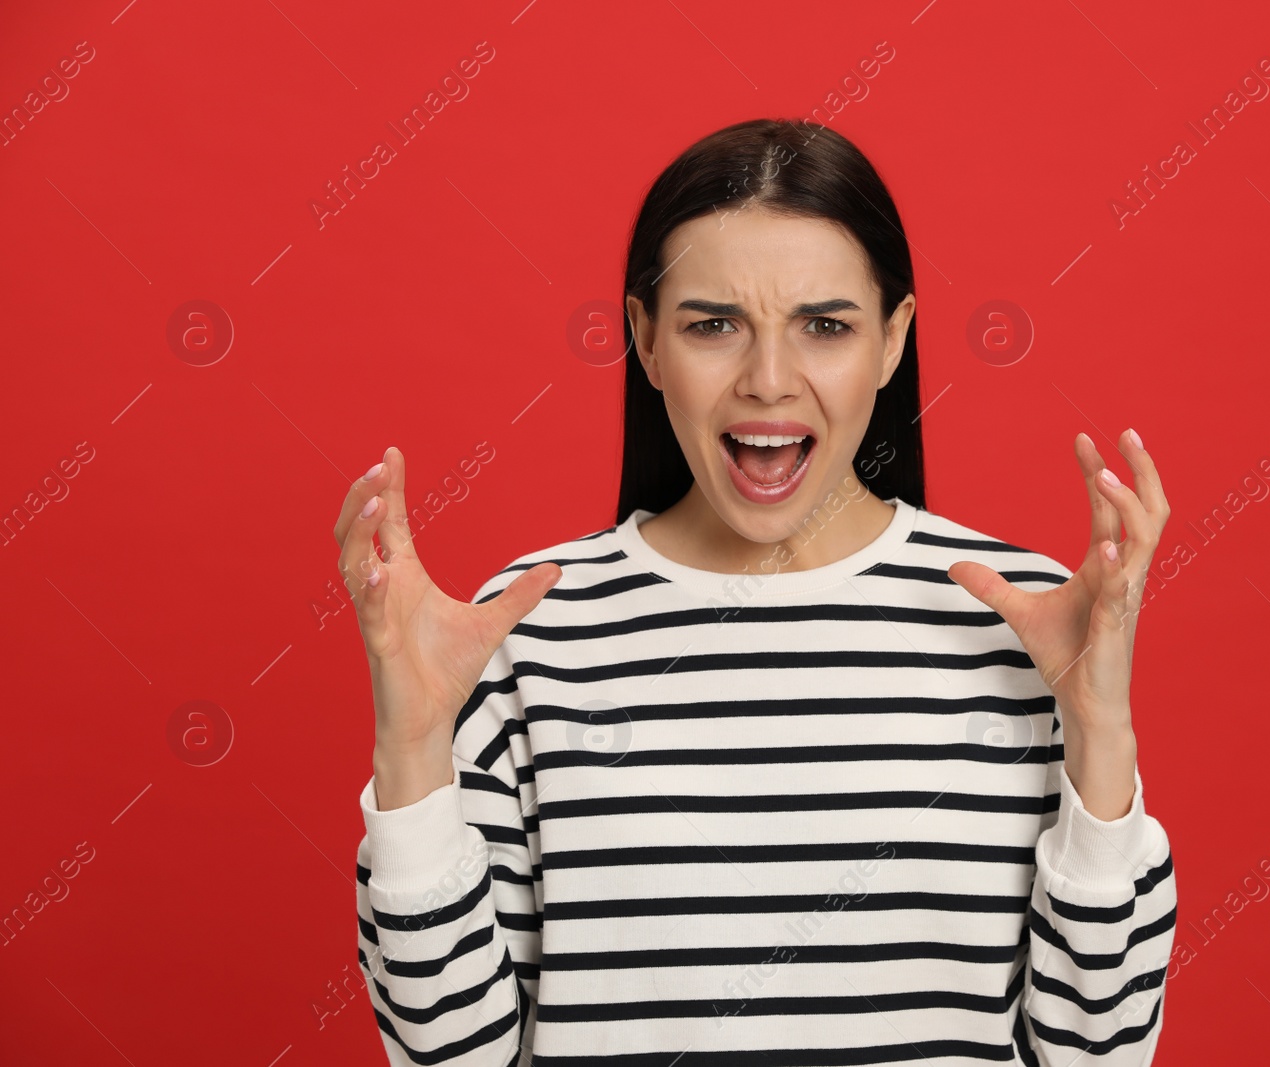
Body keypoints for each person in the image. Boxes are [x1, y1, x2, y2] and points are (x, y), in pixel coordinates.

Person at [338, 117, 1177, 1067]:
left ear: (894, 340)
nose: (769, 381)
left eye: (825, 325)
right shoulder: (527, 633)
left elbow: (1094, 1054)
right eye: (713, 326)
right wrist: (411, 751)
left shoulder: (1026, 622)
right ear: (646, 342)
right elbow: (455, 1056)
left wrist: (1101, 730)